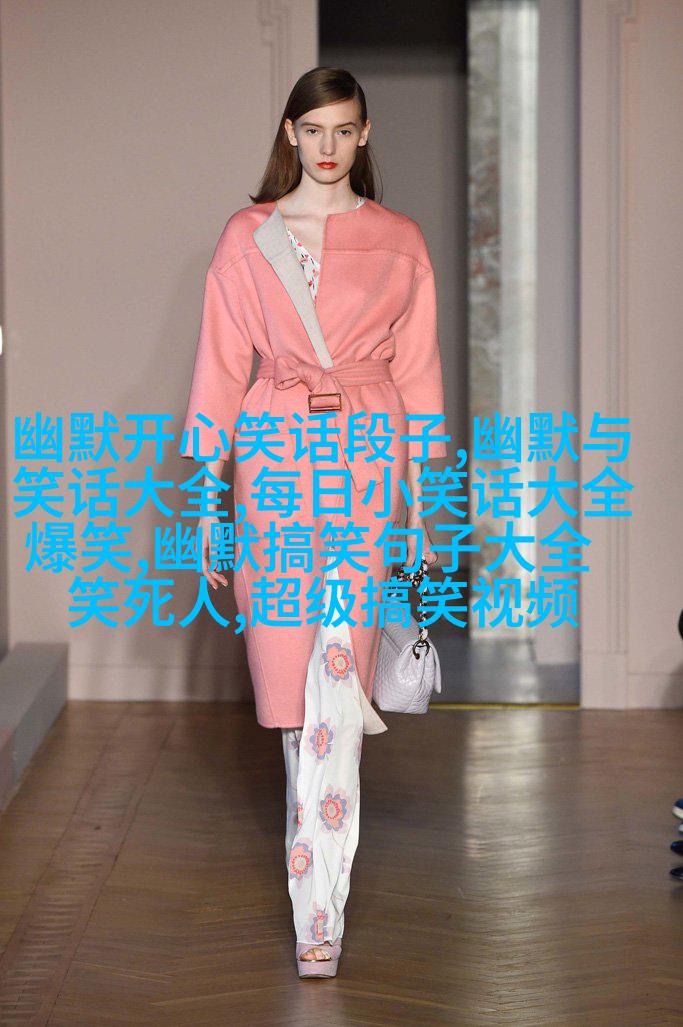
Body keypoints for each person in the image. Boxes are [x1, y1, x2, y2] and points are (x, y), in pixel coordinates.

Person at [180, 66, 448, 976]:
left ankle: (318, 912)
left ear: (364, 135)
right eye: (313, 129)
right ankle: (314, 880)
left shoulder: (399, 240)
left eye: (344, 129)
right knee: (294, 676)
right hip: (274, 458)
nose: (327, 146)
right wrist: (207, 504)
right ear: (290, 134)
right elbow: (221, 367)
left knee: (342, 668)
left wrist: (422, 506)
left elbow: (418, 376)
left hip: (369, 454)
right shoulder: (246, 236)